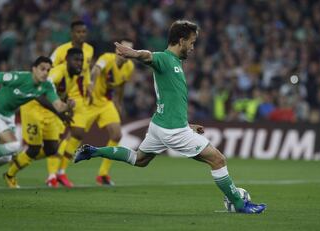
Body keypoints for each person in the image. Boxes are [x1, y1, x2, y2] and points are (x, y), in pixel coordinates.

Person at [74, 20, 266, 213]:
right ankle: (240, 204)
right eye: (191, 42)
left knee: (139, 159)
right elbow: (148, 56)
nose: (193, 47)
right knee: (218, 160)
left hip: (160, 125)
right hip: (172, 130)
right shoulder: (164, 58)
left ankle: (93, 151)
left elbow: (172, 99)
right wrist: (134, 54)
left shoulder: (175, 63)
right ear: (181, 41)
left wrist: (188, 125)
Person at [4, 48, 83, 188]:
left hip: (49, 110)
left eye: (81, 60)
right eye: (76, 60)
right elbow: (38, 93)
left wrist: (67, 105)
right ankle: (10, 175)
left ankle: (21, 158)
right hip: (33, 107)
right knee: (34, 148)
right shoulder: (57, 73)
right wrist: (60, 113)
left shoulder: (72, 76)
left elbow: (60, 94)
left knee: (52, 149)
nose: (80, 63)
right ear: (67, 60)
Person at [0, 56, 71, 188]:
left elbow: (59, 106)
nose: (45, 73)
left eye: (48, 70)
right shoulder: (18, 77)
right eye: (42, 69)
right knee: (14, 145)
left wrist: (69, 106)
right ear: (34, 69)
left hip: (8, 116)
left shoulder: (47, 85)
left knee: (7, 157)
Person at [46, 20, 94, 187]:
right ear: (72, 33)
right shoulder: (61, 50)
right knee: (56, 136)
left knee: (79, 133)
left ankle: (61, 172)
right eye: (78, 32)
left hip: (79, 98)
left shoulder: (89, 49)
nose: (81, 34)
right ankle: (51, 175)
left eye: (84, 32)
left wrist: (89, 86)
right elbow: (48, 68)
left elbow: (86, 71)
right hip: (63, 96)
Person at [86, 38, 135, 186]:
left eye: (129, 50)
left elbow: (120, 86)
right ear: (116, 50)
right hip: (89, 100)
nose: (125, 53)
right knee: (76, 134)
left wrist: (118, 104)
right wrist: (91, 83)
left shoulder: (129, 67)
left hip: (106, 102)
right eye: (122, 49)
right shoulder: (106, 58)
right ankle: (56, 173)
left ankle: (102, 174)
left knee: (116, 134)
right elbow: (96, 69)